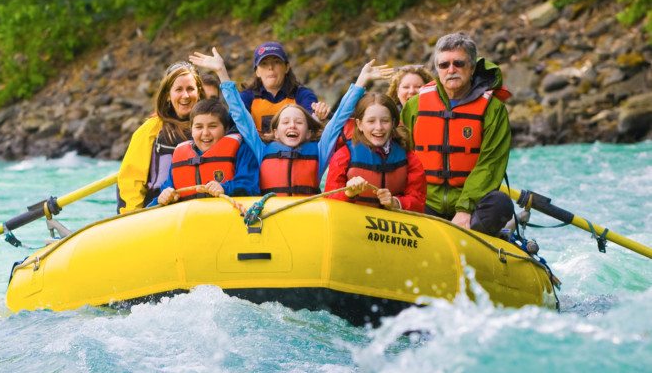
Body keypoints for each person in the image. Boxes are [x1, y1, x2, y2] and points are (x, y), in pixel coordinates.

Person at [190, 47, 389, 196]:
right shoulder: (261, 150)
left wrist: (361, 81)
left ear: (309, 132)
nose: (292, 125)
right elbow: (241, 117)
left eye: (299, 122)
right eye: (285, 122)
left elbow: (338, 120)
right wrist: (221, 72)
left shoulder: (319, 152)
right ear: (275, 132)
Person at [400, 32, 513, 235]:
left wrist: (464, 208)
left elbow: (490, 164)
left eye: (458, 63)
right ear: (437, 69)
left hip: (471, 204)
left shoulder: (493, 109)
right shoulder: (415, 105)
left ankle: (477, 239)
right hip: (424, 200)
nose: (451, 70)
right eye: (444, 65)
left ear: (471, 68)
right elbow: (399, 152)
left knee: (501, 203)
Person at [116, 62, 206, 213]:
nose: (185, 95)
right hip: (159, 210)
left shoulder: (211, 126)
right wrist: (131, 217)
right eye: (178, 89)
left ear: (199, 92)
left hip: (201, 209)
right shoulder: (150, 130)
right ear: (168, 95)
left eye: (190, 89)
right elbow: (131, 181)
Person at [324, 92, 426, 212]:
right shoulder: (343, 156)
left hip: (394, 225)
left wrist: (396, 202)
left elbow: (418, 200)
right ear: (359, 124)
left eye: (385, 121)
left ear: (393, 123)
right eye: (371, 121)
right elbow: (329, 200)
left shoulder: (410, 158)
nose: (379, 127)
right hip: (354, 221)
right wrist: (348, 193)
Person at [151, 97, 259, 206]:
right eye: (199, 127)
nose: (205, 133)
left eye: (212, 126)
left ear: (226, 129)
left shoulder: (241, 150)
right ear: (191, 130)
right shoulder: (180, 156)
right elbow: (164, 193)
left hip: (228, 218)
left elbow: (250, 185)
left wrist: (225, 188)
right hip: (191, 219)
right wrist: (163, 197)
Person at [240, 41, 330, 140]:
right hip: (257, 152)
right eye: (264, 63)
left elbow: (311, 120)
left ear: (286, 67)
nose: (270, 68)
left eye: (277, 62)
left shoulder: (303, 95)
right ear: (257, 71)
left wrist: (320, 114)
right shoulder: (246, 97)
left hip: (295, 151)